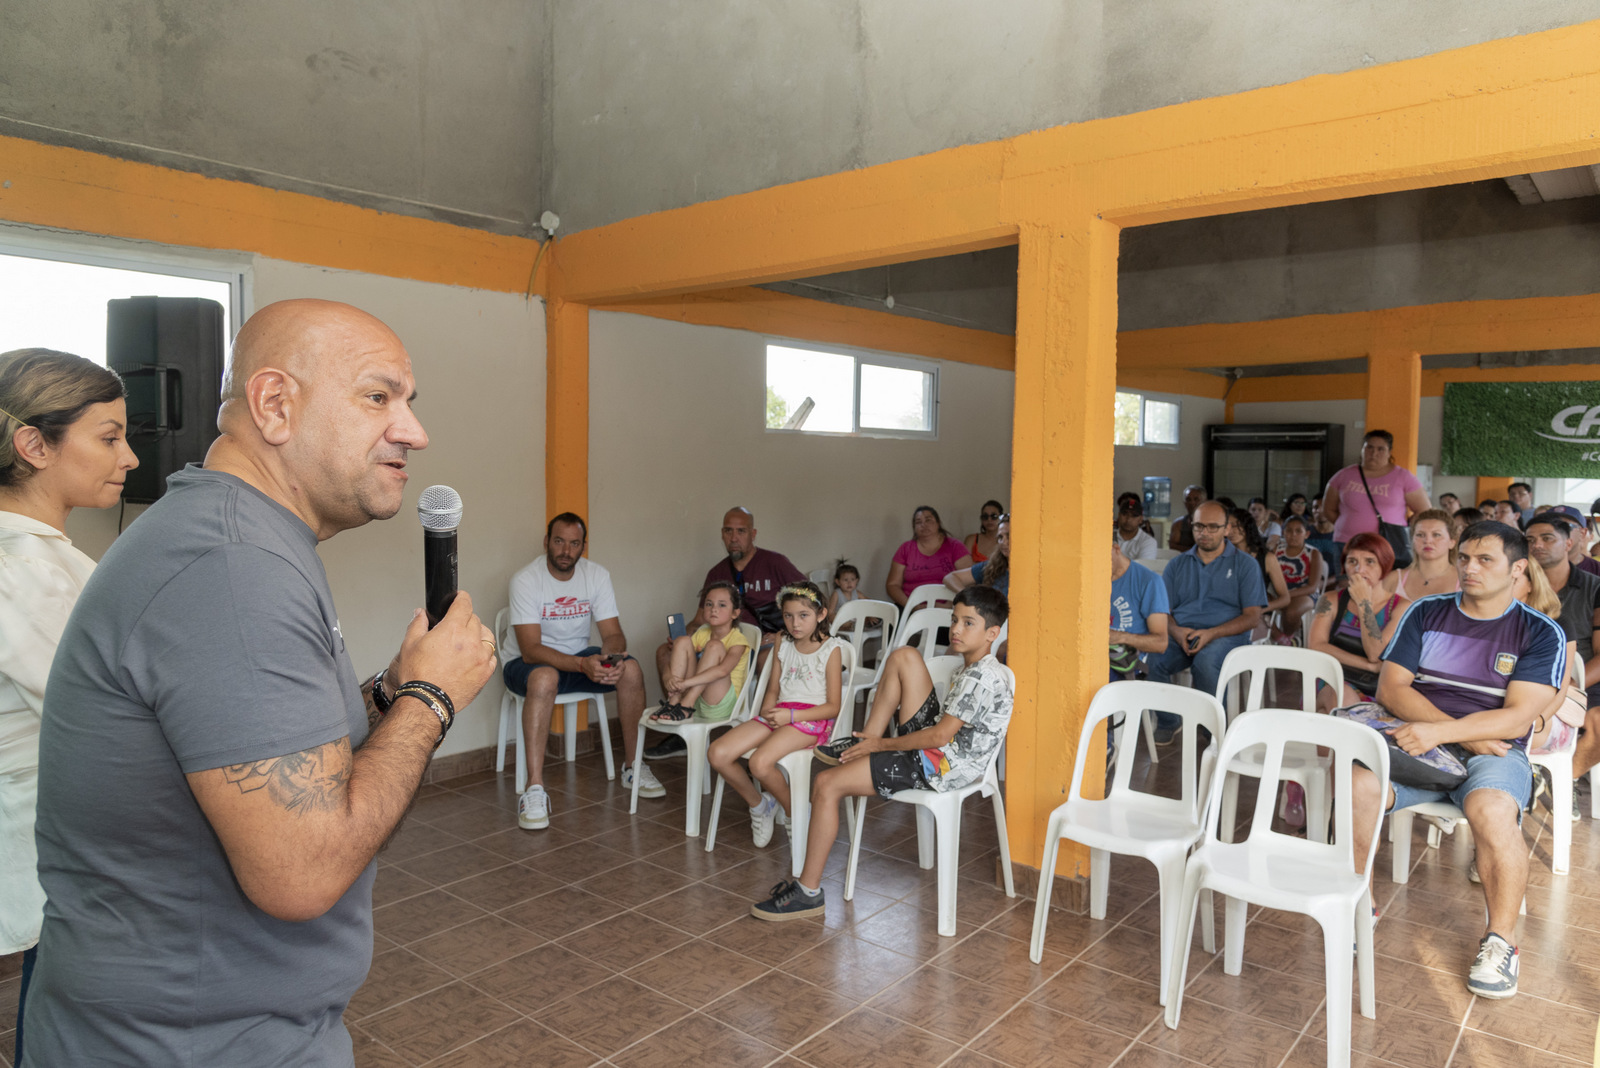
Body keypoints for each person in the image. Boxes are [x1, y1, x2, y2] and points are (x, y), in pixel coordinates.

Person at [24, 300, 498, 1066]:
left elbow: (255, 745)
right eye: (379, 397)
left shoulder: (241, 538)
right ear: (275, 404)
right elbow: (301, 872)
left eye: (408, 403)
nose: (414, 431)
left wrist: (387, 691)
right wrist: (430, 701)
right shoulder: (231, 568)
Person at [1350, 521, 1564, 1000]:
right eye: (1464, 557)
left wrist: (1444, 734)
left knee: (1491, 811)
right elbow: (1391, 689)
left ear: (1517, 569)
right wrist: (1456, 736)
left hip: (1489, 752)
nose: (1469, 568)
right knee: (1355, 783)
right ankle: (1356, 904)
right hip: (1422, 739)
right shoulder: (1427, 612)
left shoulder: (1538, 631)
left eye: (1485, 559)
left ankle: (1501, 941)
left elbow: (1517, 719)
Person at [0, 349, 137, 1066]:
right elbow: (101, 718)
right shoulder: (25, 569)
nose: (132, 457)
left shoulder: (41, 559)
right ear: (34, 445)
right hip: (35, 845)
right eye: (110, 437)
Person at [750, 586, 1011, 919]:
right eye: (955, 620)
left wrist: (882, 745)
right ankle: (864, 740)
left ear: (992, 633)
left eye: (968, 623)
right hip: (940, 750)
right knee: (904, 655)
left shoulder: (982, 677)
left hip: (942, 766)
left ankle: (808, 892)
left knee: (827, 784)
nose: (956, 629)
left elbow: (942, 735)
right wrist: (876, 742)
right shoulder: (972, 667)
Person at [504, 511, 655, 829]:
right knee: (546, 676)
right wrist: (583, 665)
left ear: (583, 547)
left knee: (631, 670)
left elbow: (612, 633)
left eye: (574, 544)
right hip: (526, 665)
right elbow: (531, 650)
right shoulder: (526, 579)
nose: (565, 550)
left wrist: (611, 660)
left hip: (576, 659)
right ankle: (534, 789)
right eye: (559, 541)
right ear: (547, 542)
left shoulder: (596, 575)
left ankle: (633, 766)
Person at [648, 507, 803, 760]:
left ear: (752, 534)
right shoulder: (717, 572)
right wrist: (680, 638)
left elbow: (807, 600)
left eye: (741, 531)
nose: (734, 537)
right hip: (717, 642)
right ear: (722, 534)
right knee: (665, 651)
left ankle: (767, 734)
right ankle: (680, 718)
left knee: (769, 661)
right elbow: (700, 620)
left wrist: (783, 633)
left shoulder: (775, 562)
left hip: (762, 642)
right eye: (728, 531)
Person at [708, 581, 843, 848]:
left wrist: (790, 717)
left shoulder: (832, 649)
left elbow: (833, 707)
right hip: (779, 713)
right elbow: (773, 688)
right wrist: (766, 713)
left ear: (821, 614)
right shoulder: (782, 641)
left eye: (803, 615)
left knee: (759, 763)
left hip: (810, 720)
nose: (795, 623)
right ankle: (760, 805)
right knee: (717, 753)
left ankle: (796, 812)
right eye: (788, 615)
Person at [1145, 501, 1268, 742]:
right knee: (1153, 657)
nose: (1205, 533)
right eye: (1199, 526)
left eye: (1213, 527)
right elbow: (1163, 611)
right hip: (1183, 634)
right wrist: (1177, 632)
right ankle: (1169, 720)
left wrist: (1212, 633)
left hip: (1226, 635)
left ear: (1226, 529)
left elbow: (1252, 617)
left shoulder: (1245, 565)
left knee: (1206, 661)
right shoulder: (1178, 564)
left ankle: (1212, 727)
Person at [1308, 533, 1410, 707]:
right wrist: (1369, 666)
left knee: (1329, 714)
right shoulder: (1331, 599)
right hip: (1332, 679)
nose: (1359, 569)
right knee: (1342, 696)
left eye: (1369, 562)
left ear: (1384, 566)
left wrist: (1363, 603)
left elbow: (1375, 653)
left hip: (1376, 686)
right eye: (1352, 561)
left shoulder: (1401, 607)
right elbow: (1316, 646)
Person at [1524, 515, 1600, 705]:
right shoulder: (1515, 585)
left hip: (1581, 682)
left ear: (1568, 543)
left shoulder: (1595, 588)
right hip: (1525, 677)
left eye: (1547, 538)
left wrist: (1569, 688)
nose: (1537, 545)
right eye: (1530, 540)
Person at [653, 581, 752, 723]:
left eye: (722, 605)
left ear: (735, 613)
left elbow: (722, 671)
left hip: (720, 703)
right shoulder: (702, 632)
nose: (714, 609)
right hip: (697, 699)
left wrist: (686, 683)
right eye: (709, 604)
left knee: (714, 646)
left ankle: (686, 703)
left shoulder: (738, 640)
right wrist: (668, 677)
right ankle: (674, 702)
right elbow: (680, 659)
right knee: (682, 641)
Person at [1318, 429, 1431, 549]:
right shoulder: (1343, 476)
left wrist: (1402, 527)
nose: (1374, 453)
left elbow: (1424, 510)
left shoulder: (1403, 477)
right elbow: (1328, 509)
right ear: (1362, 449)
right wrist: (1346, 525)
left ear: (1389, 452)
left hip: (1387, 544)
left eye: (1380, 449)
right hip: (1346, 542)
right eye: (1369, 447)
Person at [887, 505, 970, 606]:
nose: (923, 525)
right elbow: (893, 585)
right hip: (911, 607)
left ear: (938, 523)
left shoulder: (955, 546)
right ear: (914, 527)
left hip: (948, 607)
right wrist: (912, 606)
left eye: (928, 520)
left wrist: (950, 605)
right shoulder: (905, 549)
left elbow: (969, 581)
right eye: (918, 522)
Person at [1110, 539, 1170, 681]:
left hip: (1125, 662)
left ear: (1116, 549)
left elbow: (1161, 643)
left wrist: (1120, 637)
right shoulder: (1091, 576)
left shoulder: (1149, 581)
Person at [1227, 506, 1291, 625]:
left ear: (1247, 526)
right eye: (1228, 526)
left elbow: (1285, 598)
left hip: (1255, 612)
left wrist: (1260, 610)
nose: (1231, 531)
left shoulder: (1267, 558)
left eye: (1236, 525)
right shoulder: (1222, 556)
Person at [1274, 514, 1324, 643]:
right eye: (1289, 530)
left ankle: (1289, 639)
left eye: (1298, 531)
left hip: (1306, 594)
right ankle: (1279, 637)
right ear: (1283, 532)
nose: (1293, 535)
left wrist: (1286, 595)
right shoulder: (1276, 551)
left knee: (1291, 612)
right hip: (1280, 592)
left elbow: (1312, 587)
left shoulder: (1313, 553)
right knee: (1257, 604)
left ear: (1306, 534)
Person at [1393, 508, 1459, 601]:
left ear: (1452, 542)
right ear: (1412, 541)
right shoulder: (1396, 578)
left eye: (1436, 535)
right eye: (1420, 535)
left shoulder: (1464, 581)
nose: (1427, 541)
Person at [945, 514, 1009, 596]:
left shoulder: (1029, 570)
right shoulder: (992, 566)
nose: (1003, 542)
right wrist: (970, 597)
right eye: (1000, 537)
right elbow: (950, 578)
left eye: (1009, 536)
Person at [1115, 494, 1158, 561]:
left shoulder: (1148, 541)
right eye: (1124, 514)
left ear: (1141, 519)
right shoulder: (1106, 537)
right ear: (1119, 516)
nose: (1128, 519)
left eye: (1134, 516)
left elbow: (1141, 569)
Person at [1169, 484, 1207, 552]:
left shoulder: (1211, 522)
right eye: (1188, 499)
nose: (1192, 503)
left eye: (1196, 499)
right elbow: (1173, 546)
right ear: (1184, 503)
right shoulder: (1178, 524)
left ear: (1204, 501)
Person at [828, 559, 862, 627]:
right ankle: (848, 626)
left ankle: (853, 626)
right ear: (838, 582)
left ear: (857, 581)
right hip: (841, 619)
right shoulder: (836, 594)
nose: (849, 583)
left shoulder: (857, 593)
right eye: (845, 580)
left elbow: (870, 602)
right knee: (832, 617)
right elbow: (830, 612)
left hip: (854, 619)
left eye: (852, 580)